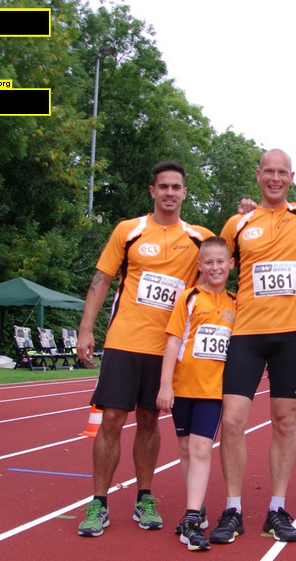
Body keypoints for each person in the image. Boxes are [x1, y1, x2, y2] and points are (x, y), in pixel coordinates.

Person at [210, 80, 296, 544]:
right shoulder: (238, 224)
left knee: (286, 422)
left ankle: (276, 508)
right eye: (268, 171)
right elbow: (214, 271)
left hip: (290, 335)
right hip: (246, 335)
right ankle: (233, 509)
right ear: (258, 175)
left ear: (291, 178)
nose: (274, 178)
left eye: (282, 173)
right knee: (232, 420)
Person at [76, 161, 214, 537]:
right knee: (111, 420)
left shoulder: (199, 237)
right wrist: (86, 329)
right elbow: (102, 278)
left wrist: (248, 212)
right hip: (124, 340)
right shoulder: (129, 230)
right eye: (163, 186)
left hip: (166, 346)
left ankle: (144, 497)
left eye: (176, 187)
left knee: (150, 421)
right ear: (152, 191)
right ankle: (99, 502)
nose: (170, 192)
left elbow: (228, 261)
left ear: (184, 193)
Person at [156, 237, 235, 551]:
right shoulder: (189, 298)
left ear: (231, 264)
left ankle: (190, 518)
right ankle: (197, 508)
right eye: (209, 262)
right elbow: (173, 340)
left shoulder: (235, 303)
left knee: (201, 448)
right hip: (182, 387)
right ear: (200, 265)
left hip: (212, 390)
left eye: (221, 262)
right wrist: (165, 384)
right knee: (186, 449)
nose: (215, 268)